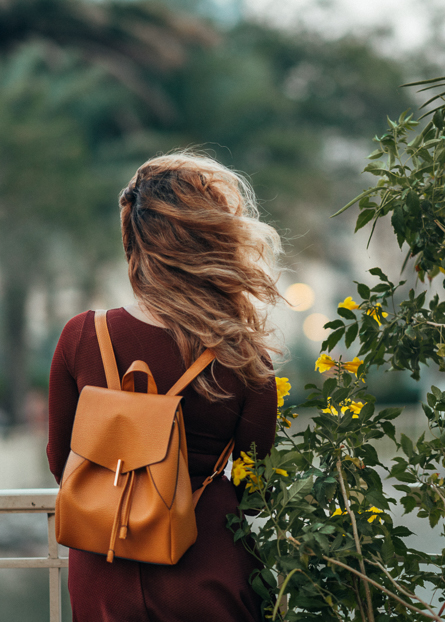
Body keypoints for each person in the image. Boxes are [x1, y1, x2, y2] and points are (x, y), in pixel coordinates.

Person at [47, 151, 283, 622]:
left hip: (104, 562)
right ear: (216, 241)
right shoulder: (243, 355)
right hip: (206, 561)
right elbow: (257, 489)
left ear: (134, 239)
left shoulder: (82, 335)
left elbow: (62, 463)